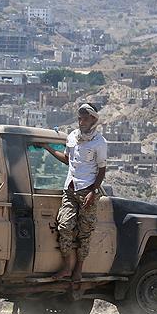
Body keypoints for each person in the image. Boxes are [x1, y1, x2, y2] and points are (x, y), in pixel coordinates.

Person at [37, 103, 107, 282]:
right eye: (79, 118)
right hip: (70, 188)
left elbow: (101, 170)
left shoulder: (99, 142)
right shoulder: (72, 137)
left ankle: (79, 269)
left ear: (93, 119)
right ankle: (66, 267)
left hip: (88, 191)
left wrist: (93, 191)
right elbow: (68, 160)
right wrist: (48, 148)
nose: (81, 121)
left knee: (85, 231)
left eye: (85, 118)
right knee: (65, 226)